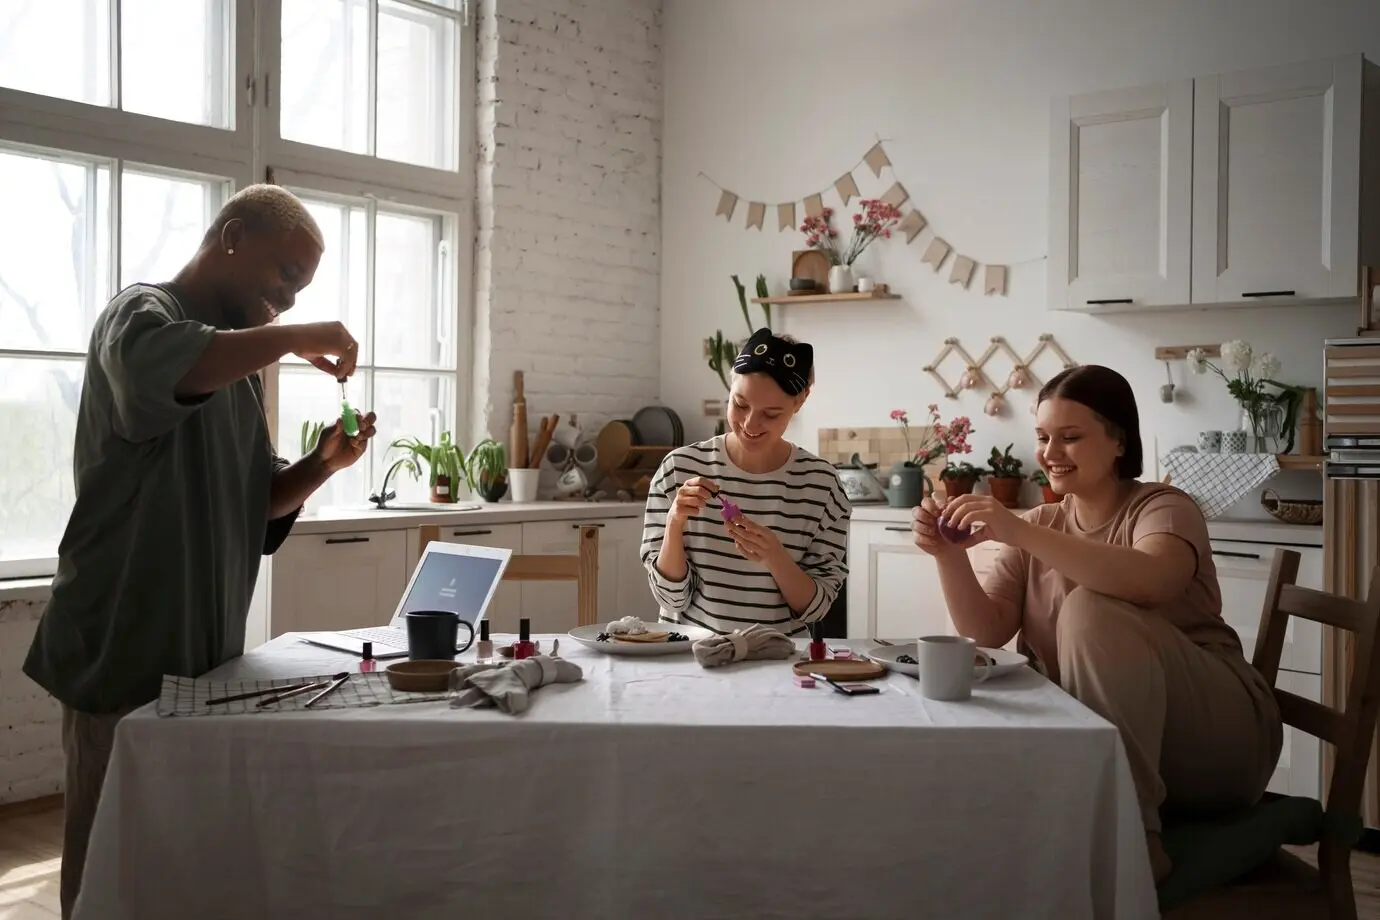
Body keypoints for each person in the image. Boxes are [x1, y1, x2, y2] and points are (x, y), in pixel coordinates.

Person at [22, 184, 378, 919]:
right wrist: (294, 335)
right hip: (120, 648)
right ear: (233, 237)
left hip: (200, 660)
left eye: (299, 291)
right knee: (105, 864)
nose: (285, 301)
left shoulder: (237, 374)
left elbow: (253, 505)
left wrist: (322, 467)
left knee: (174, 858)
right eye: (285, 277)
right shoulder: (140, 315)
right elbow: (170, 368)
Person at [910, 364, 1281, 885]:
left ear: (1118, 443)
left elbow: (1151, 580)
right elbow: (986, 631)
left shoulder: (1164, 508)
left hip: (1220, 742)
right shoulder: (1039, 527)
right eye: (1042, 437)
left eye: (1071, 437)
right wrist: (947, 556)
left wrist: (1017, 530)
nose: (1049, 453)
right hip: (1118, 751)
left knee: (1090, 607)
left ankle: (1137, 841)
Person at [641, 327, 850, 635]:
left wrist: (775, 557)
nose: (751, 424)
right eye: (740, 404)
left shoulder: (822, 486)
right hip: (690, 662)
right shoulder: (679, 468)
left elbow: (815, 609)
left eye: (771, 413)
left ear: (800, 402)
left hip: (778, 665)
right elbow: (670, 599)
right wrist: (674, 522)